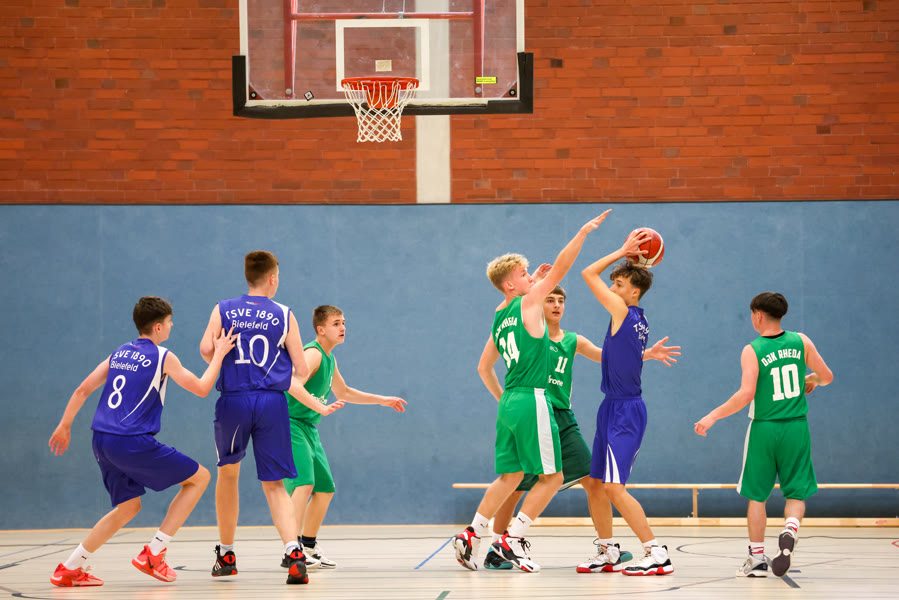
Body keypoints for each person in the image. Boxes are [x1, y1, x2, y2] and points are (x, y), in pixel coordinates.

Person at [482, 284, 681, 572]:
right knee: (516, 484)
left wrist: (648, 353)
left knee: (593, 479)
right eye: (550, 299)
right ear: (537, 303)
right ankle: (497, 548)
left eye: (561, 300)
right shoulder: (529, 335)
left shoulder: (572, 340)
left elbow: (608, 356)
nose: (556, 305)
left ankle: (607, 547)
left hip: (562, 417)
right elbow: (487, 365)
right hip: (534, 412)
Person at [453, 212, 609, 574]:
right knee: (552, 477)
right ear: (511, 284)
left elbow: (483, 368)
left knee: (509, 477)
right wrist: (582, 232)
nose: (531, 277)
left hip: (509, 400)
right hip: (532, 397)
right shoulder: (528, 302)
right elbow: (562, 267)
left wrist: (504, 400)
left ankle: (471, 533)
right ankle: (512, 540)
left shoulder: (500, 314)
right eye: (524, 274)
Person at [48, 296, 236, 587]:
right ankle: (155, 553)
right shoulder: (163, 356)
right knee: (200, 478)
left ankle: (70, 568)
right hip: (130, 441)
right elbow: (201, 388)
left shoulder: (119, 352)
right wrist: (220, 354)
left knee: (128, 508)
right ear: (158, 327)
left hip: (101, 440)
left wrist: (64, 425)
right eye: (170, 322)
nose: (172, 326)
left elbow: (83, 389)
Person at [199, 251, 342, 585]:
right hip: (271, 403)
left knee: (228, 475)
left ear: (247, 276)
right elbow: (301, 368)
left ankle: (227, 554)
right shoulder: (284, 314)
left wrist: (226, 355)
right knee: (275, 484)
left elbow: (207, 350)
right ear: (273, 278)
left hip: (234, 399)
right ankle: (294, 552)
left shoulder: (223, 309)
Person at [694, 292, 833, 578]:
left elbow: (746, 394)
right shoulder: (801, 341)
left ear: (757, 314)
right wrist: (811, 379)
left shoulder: (753, 349)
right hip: (796, 427)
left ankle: (757, 559)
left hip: (765, 428)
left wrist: (713, 415)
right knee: (796, 492)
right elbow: (827, 377)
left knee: (757, 496)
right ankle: (790, 529)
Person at [578, 225, 674, 576]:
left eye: (618, 284)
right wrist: (648, 354)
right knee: (597, 484)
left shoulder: (623, 311)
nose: (611, 289)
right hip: (610, 408)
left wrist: (622, 250)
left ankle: (656, 552)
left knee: (615, 488)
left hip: (625, 411)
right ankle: (608, 551)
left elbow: (588, 272)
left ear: (634, 292)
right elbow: (621, 356)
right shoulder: (635, 318)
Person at [281, 305, 407, 570]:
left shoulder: (329, 358)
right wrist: (320, 407)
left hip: (308, 428)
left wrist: (381, 400)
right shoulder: (313, 354)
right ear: (320, 329)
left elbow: (344, 392)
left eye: (344, 323)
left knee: (325, 489)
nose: (343, 328)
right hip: (289, 425)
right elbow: (291, 384)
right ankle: (291, 550)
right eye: (336, 323)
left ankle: (308, 545)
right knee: (304, 485)